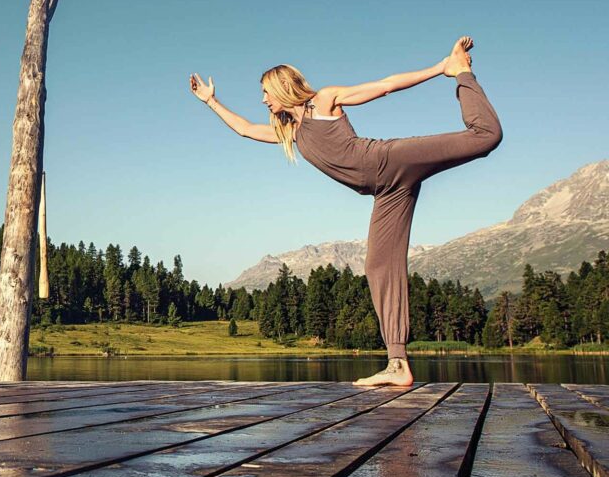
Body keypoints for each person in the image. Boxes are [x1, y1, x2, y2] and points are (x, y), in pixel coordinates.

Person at [189, 37, 503, 386]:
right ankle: (397, 364)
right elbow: (246, 129)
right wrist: (211, 101)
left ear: (282, 87)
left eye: (266, 91)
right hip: (386, 192)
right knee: (378, 265)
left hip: (390, 160)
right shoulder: (292, 132)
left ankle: (464, 74)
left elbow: (384, 86)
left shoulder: (324, 101)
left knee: (486, 136)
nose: (263, 99)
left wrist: (442, 68)